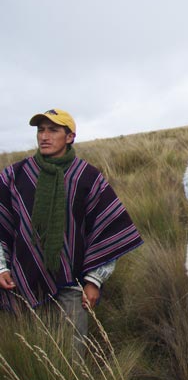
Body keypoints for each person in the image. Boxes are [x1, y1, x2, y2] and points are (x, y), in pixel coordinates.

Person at [0, 108, 144, 355]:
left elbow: (106, 230)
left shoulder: (86, 177)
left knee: (73, 356)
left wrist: (95, 280)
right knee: (31, 353)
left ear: (70, 137)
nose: (44, 136)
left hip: (72, 283)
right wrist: (1, 267)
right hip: (22, 283)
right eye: (40, 130)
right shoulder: (14, 176)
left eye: (53, 130)